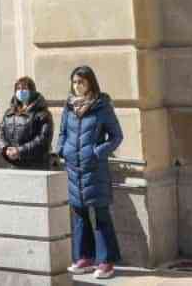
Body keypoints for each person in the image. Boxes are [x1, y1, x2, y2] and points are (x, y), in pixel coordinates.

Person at [59, 65, 124, 280]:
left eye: (82, 82)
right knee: (79, 213)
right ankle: (84, 257)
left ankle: (107, 261)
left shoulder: (101, 106)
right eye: (75, 82)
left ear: (90, 83)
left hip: (94, 169)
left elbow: (116, 136)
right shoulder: (69, 107)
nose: (77, 86)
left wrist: (97, 152)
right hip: (74, 168)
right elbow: (63, 132)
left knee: (101, 215)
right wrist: (62, 150)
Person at [0, 76, 53, 171]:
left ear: (32, 91)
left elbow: (43, 140)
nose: (21, 91)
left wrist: (20, 151)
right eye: (18, 89)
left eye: (24, 88)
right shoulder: (9, 113)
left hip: (35, 165)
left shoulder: (42, 114)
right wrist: (5, 148)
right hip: (11, 163)